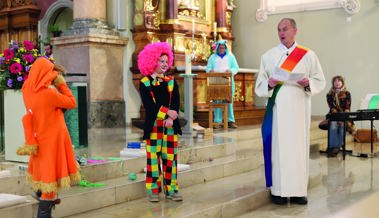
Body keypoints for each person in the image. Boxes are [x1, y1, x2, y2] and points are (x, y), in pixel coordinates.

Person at [255, 18, 326, 205]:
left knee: (298, 148)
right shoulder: (268, 56)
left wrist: (308, 83)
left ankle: (298, 192)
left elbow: (319, 79)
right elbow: (260, 84)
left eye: (285, 29)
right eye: (278, 30)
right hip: (278, 110)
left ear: (295, 30)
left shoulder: (308, 55)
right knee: (279, 148)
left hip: (299, 107)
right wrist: (268, 84)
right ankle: (278, 191)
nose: (281, 33)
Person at [16, 57, 81, 218]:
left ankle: (40, 192)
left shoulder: (26, 89)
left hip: (40, 137)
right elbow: (72, 102)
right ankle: (44, 209)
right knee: (50, 178)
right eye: (51, 72)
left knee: (44, 173)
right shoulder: (48, 93)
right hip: (54, 139)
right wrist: (61, 84)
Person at [138, 42, 183, 202]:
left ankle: (171, 189)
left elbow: (176, 102)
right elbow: (149, 106)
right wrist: (166, 113)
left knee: (170, 159)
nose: (164, 64)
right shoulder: (145, 82)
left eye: (166, 61)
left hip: (170, 127)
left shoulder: (171, 82)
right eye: (160, 61)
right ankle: (153, 190)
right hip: (153, 127)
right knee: (153, 160)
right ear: (151, 61)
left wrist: (172, 117)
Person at [206, 39, 239, 129]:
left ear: (226, 48)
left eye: (223, 47)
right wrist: (210, 70)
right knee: (217, 101)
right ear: (217, 48)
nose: (221, 49)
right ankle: (217, 121)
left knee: (228, 101)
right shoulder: (212, 57)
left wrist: (231, 71)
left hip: (228, 82)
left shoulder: (231, 57)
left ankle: (230, 121)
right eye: (220, 48)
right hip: (216, 83)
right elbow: (208, 67)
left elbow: (236, 67)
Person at [326, 75, 354, 157]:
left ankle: (337, 146)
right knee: (333, 124)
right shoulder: (329, 94)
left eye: (339, 81)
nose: (337, 83)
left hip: (344, 115)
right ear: (333, 83)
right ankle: (333, 147)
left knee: (342, 124)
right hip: (333, 115)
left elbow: (348, 107)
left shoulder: (347, 93)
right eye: (335, 81)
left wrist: (343, 116)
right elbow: (332, 107)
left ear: (342, 83)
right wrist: (337, 116)